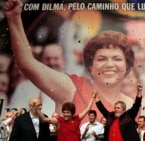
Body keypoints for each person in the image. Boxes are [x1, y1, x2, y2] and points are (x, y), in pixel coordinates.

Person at [3, 0, 135, 123]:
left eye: (117, 58)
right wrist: (14, 19)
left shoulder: (133, 105)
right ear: (90, 66)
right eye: (101, 59)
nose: (109, 64)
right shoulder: (72, 89)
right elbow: (27, 64)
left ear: (127, 65)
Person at [8, 43, 66, 116]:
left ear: (64, 61)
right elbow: (13, 113)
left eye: (56, 58)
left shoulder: (73, 87)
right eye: (47, 59)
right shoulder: (25, 87)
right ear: (40, 61)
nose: (52, 62)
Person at [32, 90, 97, 141]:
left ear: (72, 113)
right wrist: (37, 110)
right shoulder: (59, 121)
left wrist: (93, 97)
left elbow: (88, 108)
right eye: (64, 112)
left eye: (67, 112)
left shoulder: (77, 119)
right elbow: (44, 119)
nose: (65, 114)